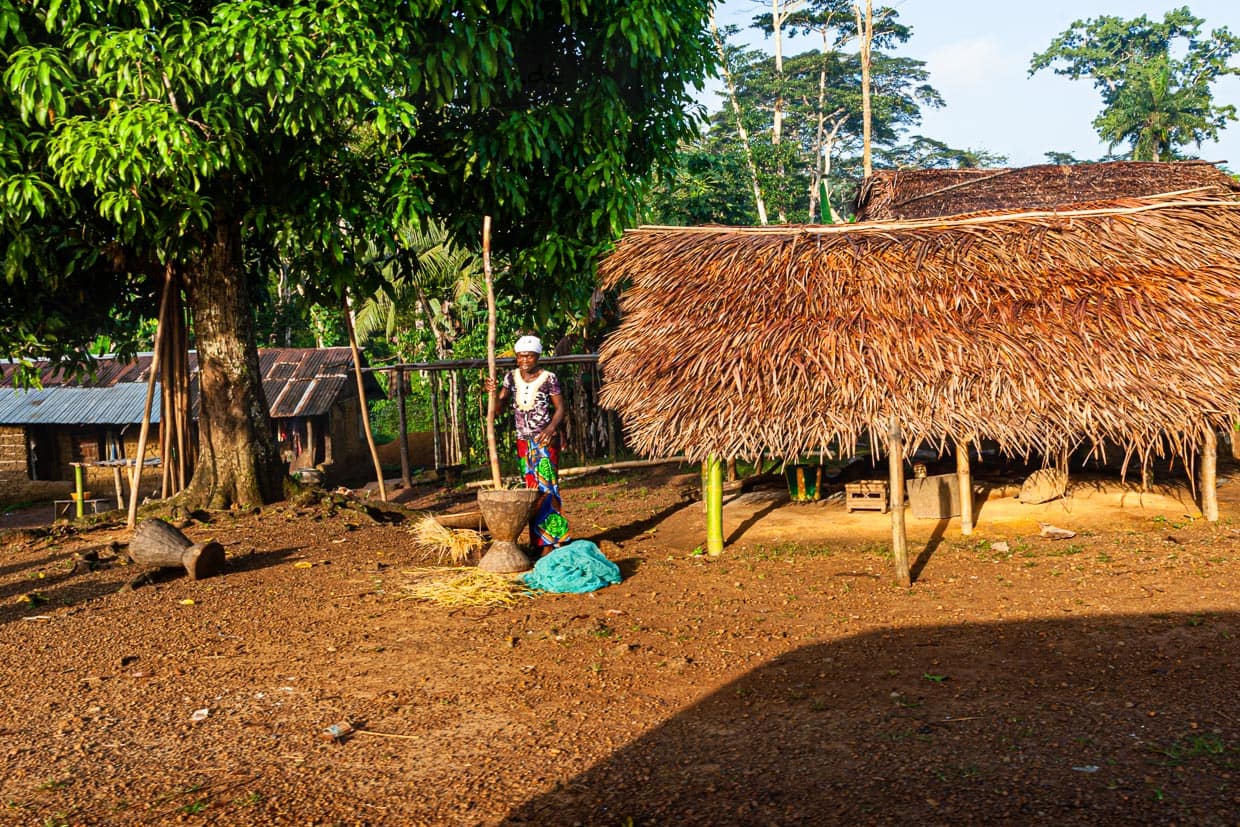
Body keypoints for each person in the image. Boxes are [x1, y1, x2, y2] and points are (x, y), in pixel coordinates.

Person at [483, 335, 570, 552]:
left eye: (529, 356)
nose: (525, 360)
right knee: (531, 491)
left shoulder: (549, 378)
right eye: (521, 356)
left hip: (544, 440)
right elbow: (499, 409)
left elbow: (560, 408)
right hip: (524, 442)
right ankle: (537, 542)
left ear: (537, 357)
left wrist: (550, 429)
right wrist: (492, 394)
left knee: (547, 488)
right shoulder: (510, 378)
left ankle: (551, 541)